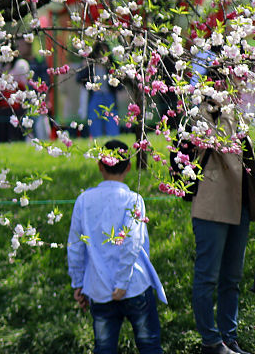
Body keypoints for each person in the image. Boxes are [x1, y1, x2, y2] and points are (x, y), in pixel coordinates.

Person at [186, 87, 255, 354]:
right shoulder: (199, 112)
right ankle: (211, 342)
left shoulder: (235, 111)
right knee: (207, 276)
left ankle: (228, 338)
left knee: (231, 278)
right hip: (212, 206)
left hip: (240, 204)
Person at [67, 140, 165, 354]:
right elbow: (131, 241)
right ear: (129, 167)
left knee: (104, 348)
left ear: (100, 166)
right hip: (134, 284)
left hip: (99, 287)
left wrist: (78, 282)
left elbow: (75, 246)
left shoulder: (83, 200)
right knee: (149, 346)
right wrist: (122, 282)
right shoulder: (133, 199)